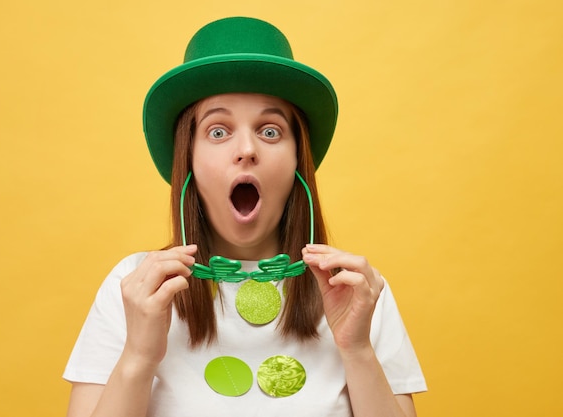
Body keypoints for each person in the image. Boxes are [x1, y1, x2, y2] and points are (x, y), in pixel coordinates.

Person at [63, 16, 427, 417]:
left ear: (296, 162)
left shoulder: (357, 291)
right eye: (218, 131)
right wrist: (138, 356)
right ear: (189, 161)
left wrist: (356, 350)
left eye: (270, 131)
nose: (247, 149)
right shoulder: (132, 288)